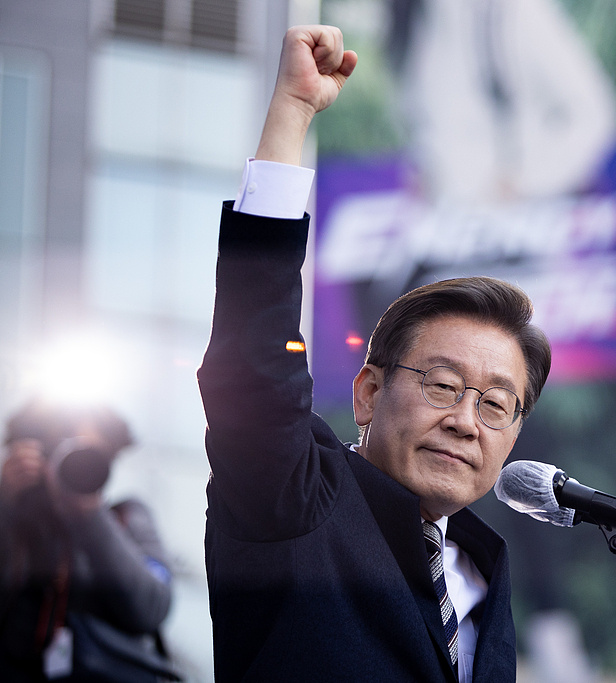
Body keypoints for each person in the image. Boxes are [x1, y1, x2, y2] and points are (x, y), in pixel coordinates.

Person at [198, 24, 551, 683]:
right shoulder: (297, 496)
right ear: (368, 392)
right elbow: (253, 364)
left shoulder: (483, 569)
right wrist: (293, 111)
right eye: (443, 385)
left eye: (496, 404)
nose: (465, 421)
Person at [0, 399, 174, 681]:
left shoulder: (127, 516)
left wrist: (89, 515)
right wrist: (5, 504)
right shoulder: (13, 517)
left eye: (87, 453)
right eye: (59, 449)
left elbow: (151, 609)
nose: (74, 463)